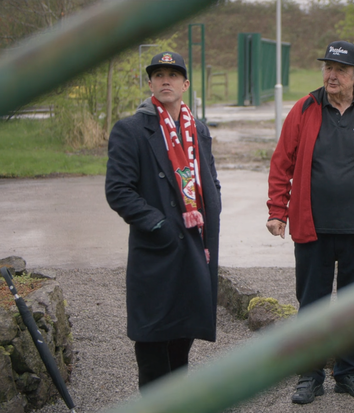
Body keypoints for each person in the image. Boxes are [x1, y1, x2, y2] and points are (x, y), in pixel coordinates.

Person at [266, 40, 354, 405]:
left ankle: (348, 372)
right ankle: (309, 377)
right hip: (314, 228)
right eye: (328, 67)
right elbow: (281, 162)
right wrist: (277, 211)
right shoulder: (305, 108)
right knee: (311, 304)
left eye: (340, 70)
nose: (332, 75)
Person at [105, 51, 221, 389]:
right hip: (158, 248)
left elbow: (210, 179)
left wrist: (212, 210)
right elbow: (118, 190)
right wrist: (160, 226)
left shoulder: (197, 128)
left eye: (172, 74)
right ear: (151, 83)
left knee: (183, 336)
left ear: (185, 84)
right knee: (153, 339)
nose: (165, 80)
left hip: (196, 249)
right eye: (158, 75)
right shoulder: (131, 129)